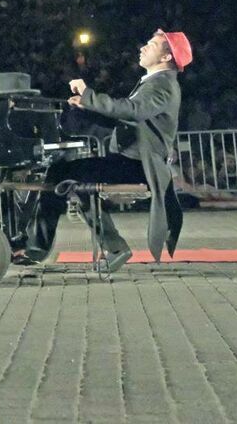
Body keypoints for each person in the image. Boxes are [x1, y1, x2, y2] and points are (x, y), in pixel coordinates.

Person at [18, 30, 192, 273]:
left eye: (151, 45)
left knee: (64, 174)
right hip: (131, 162)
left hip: (139, 166)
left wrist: (89, 95)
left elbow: (133, 110)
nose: (143, 48)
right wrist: (85, 107)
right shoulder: (155, 82)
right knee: (70, 176)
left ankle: (40, 247)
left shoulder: (163, 84)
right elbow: (127, 120)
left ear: (166, 57)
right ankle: (105, 247)